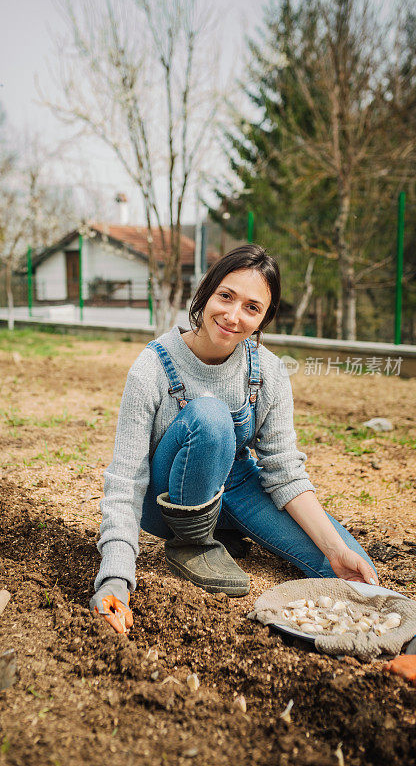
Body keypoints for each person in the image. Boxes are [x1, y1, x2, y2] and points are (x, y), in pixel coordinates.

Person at [90, 245, 378, 633]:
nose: (233, 315)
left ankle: (222, 529)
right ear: (206, 292)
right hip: (166, 501)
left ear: (263, 319)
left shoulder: (269, 372)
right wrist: (115, 580)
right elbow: (125, 481)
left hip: (235, 485)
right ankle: (192, 542)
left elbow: (284, 472)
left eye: (251, 307)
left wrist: (335, 548)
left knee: (349, 568)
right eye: (226, 296)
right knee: (210, 416)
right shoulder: (153, 367)